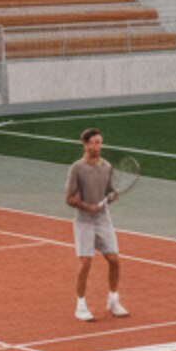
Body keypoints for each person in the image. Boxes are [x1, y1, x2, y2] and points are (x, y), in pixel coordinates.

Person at [66, 127, 128, 321]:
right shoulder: (77, 168)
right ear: (85, 144)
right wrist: (87, 206)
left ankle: (113, 300)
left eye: (100, 142)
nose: (97, 146)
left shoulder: (107, 167)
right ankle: (80, 305)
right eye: (93, 143)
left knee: (114, 260)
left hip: (103, 220)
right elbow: (69, 198)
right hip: (84, 222)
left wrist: (112, 196)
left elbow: (110, 191)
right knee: (86, 263)